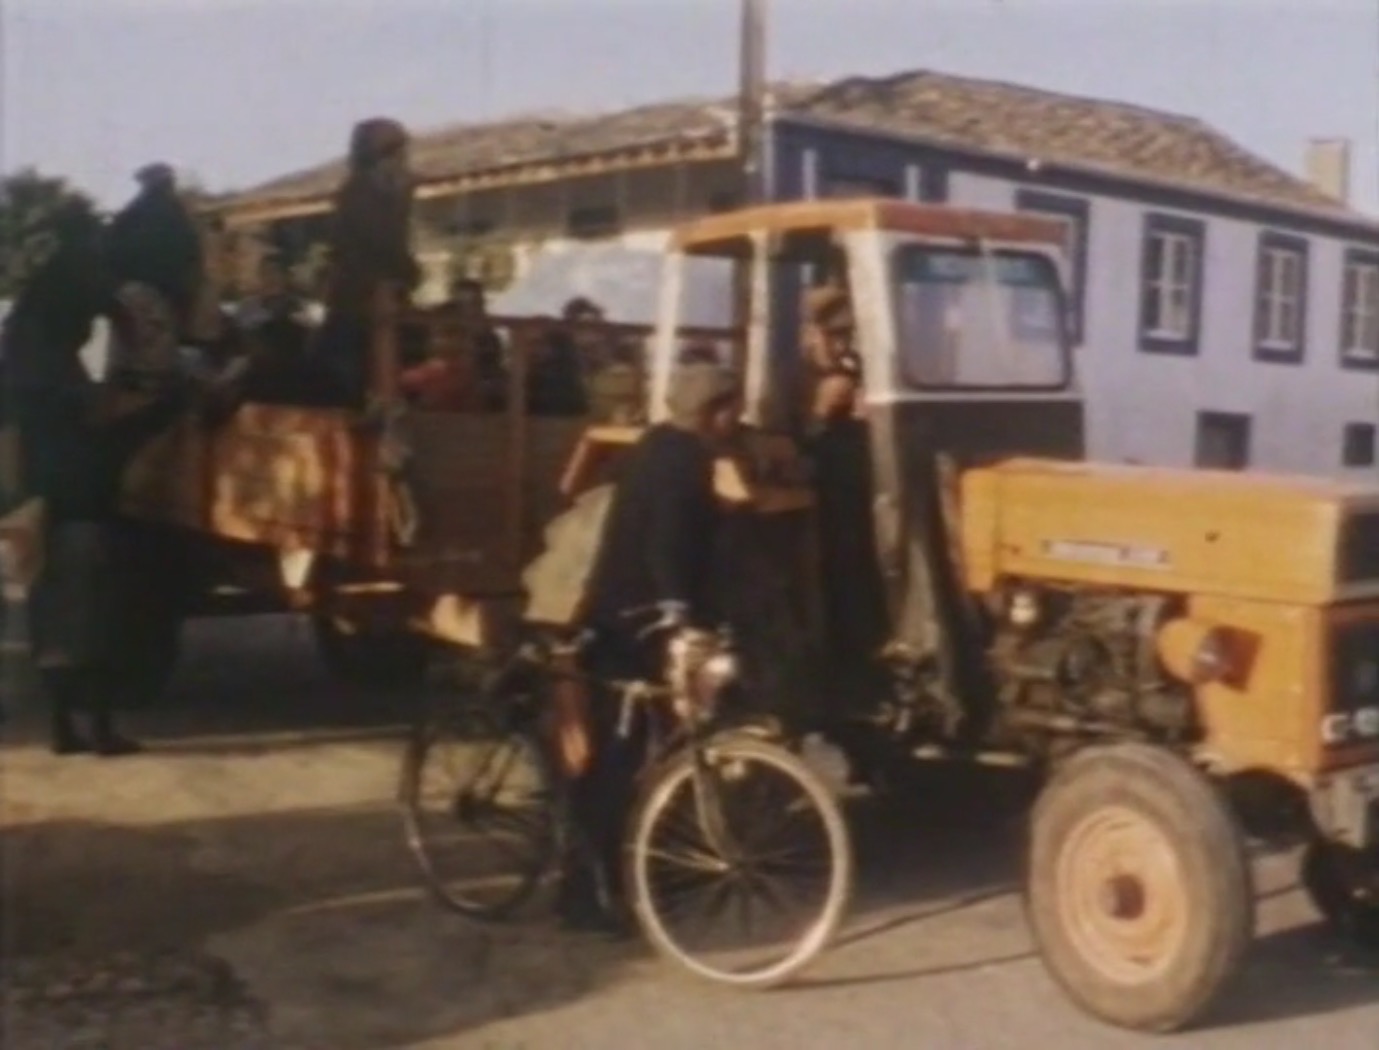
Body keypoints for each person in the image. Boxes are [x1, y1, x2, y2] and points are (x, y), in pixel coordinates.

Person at [557, 361, 745, 933]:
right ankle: (586, 895)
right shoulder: (679, 460)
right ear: (714, 412)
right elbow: (666, 543)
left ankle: (639, 872)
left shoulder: (660, 444)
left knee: (656, 746)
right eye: (732, 409)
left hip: (632, 620)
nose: (737, 420)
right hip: (626, 626)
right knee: (616, 761)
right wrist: (678, 615)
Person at [5, 205, 190, 755]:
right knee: (101, 631)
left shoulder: (34, 393)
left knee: (55, 634)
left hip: (47, 526)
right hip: (89, 528)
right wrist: (171, 405)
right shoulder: (76, 406)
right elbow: (120, 431)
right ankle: (103, 731)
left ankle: (64, 729)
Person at [316, 118, 421, 406]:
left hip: (375, 305)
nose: (403, 158)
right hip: (358, 306)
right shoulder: (360, 192)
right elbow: (382, 243)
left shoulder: (376, 191)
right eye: (395, 150)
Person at [105, 163, 205, 338]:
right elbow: (191, 252)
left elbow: (110, 248)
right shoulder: (175, 214)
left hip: (130, 291)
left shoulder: (131, 213)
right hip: (166, 293)